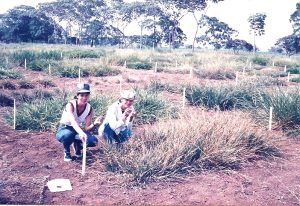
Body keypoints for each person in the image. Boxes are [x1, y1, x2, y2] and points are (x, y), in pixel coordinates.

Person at [56, 83, 103, 162]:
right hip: (65, 128)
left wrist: (95, 124)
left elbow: (87, 128)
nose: (84, 98)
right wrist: (81, 133)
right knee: (67, 135)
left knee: (93, 141)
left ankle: (77, 145)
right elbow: (73, 121)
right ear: (77, 95)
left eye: (86, 95)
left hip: (76, 130)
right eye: (82, 95)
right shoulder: (70, 105)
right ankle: (67, 152)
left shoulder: (89, 108)